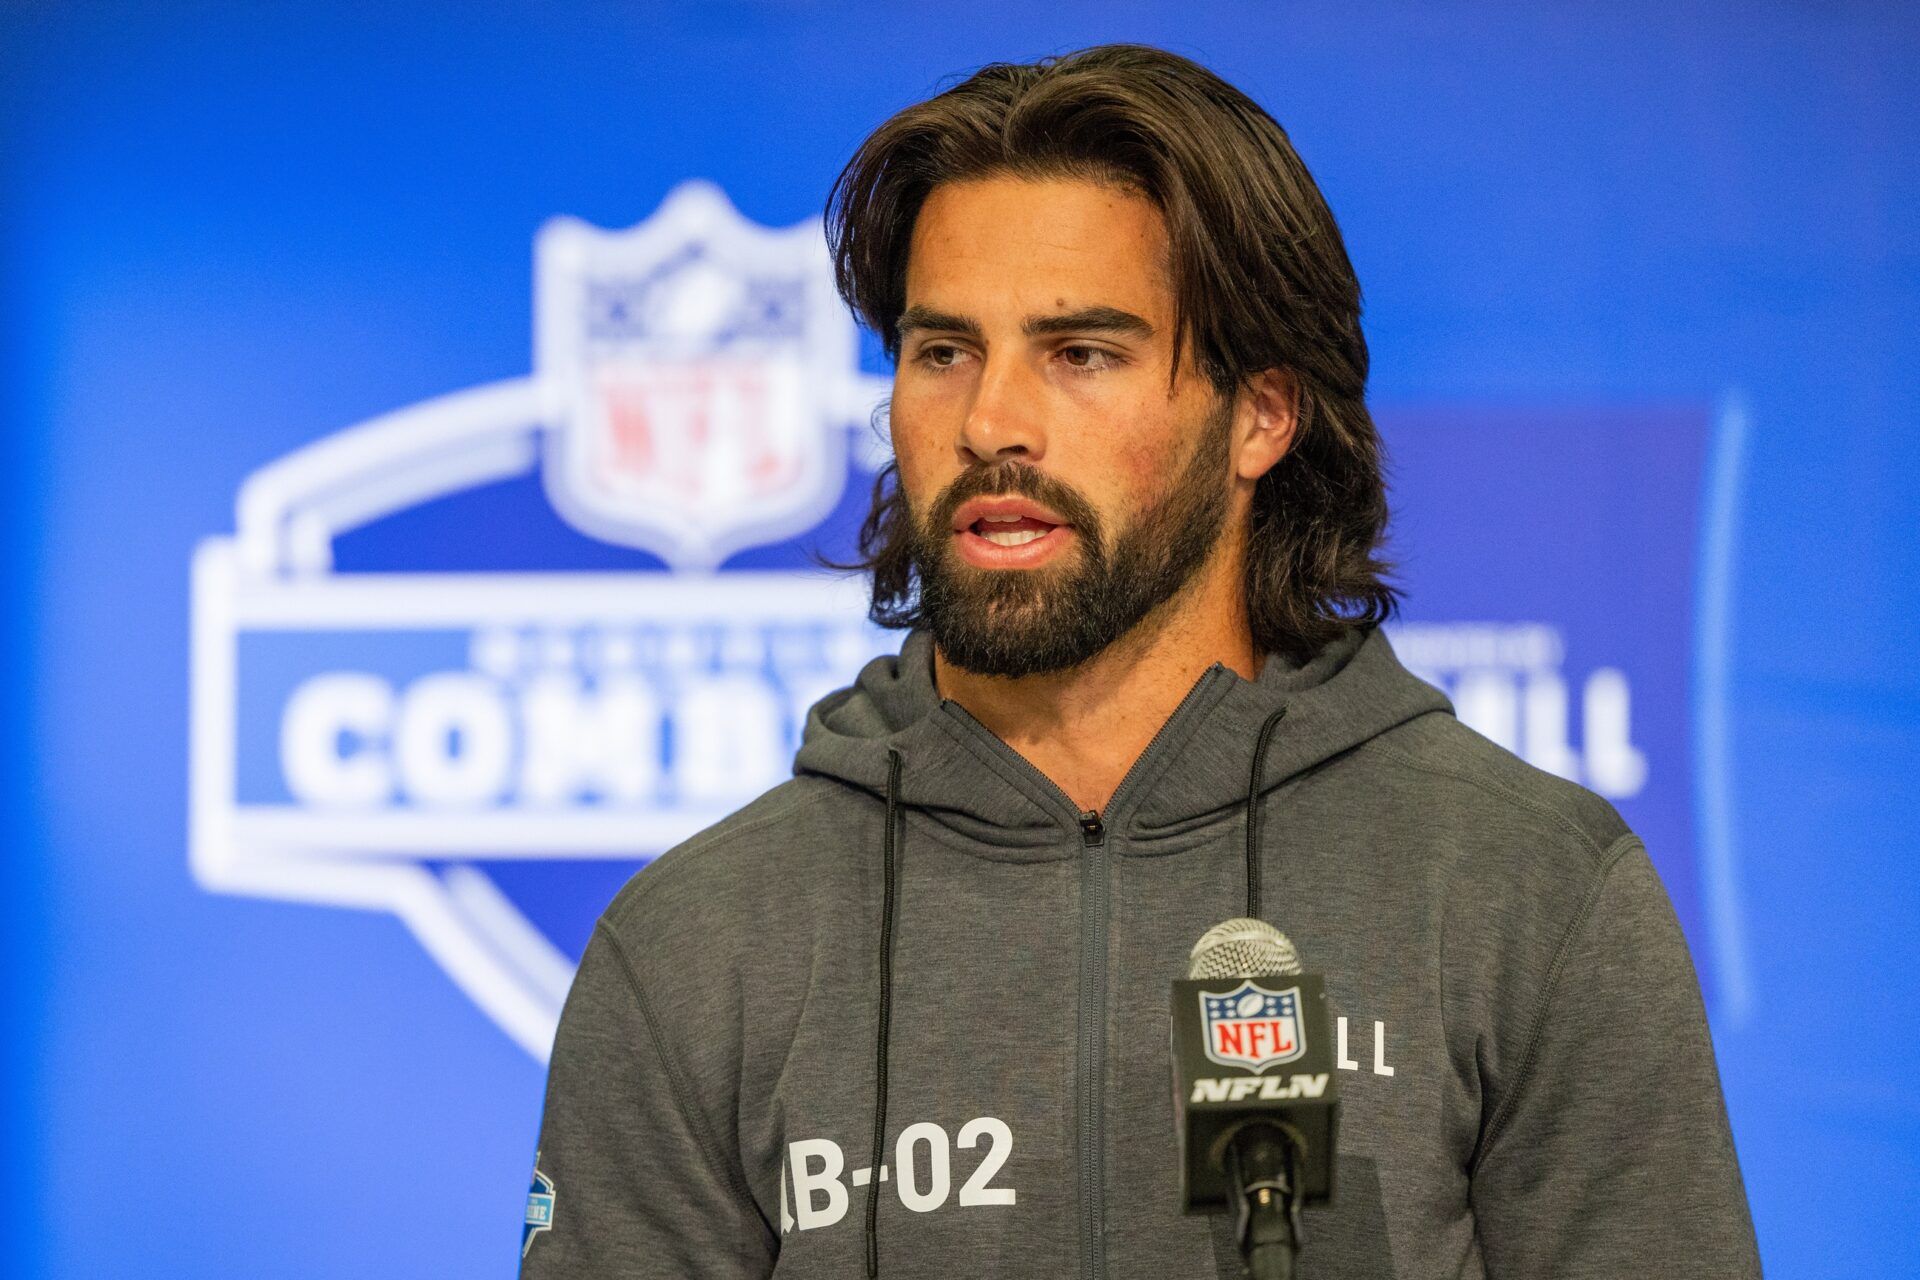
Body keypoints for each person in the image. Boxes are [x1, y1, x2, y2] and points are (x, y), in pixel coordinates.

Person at [520, 43, 1761, 1279]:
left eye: (1082, 352)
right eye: (942, 350)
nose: (992, 421)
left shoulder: (1523, 887)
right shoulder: (697, 942)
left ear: (1260, 415)